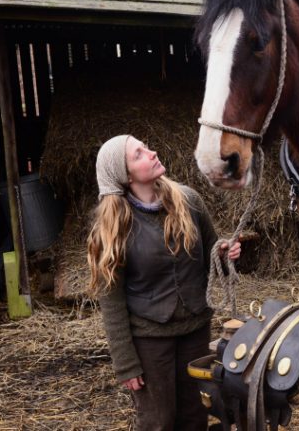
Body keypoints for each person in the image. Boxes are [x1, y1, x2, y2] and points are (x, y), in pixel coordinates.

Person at [86, 134, 240, 431]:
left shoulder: (188, 200)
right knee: (159, 421)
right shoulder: (114, 225)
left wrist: (224, 254)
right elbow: (111, 301)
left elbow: (212, 254)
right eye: (138, 154)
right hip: (150, 339)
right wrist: (126, 364)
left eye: (146, 147)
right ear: (126, 176)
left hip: (195, 329)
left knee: (196, 416)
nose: (152, 152)